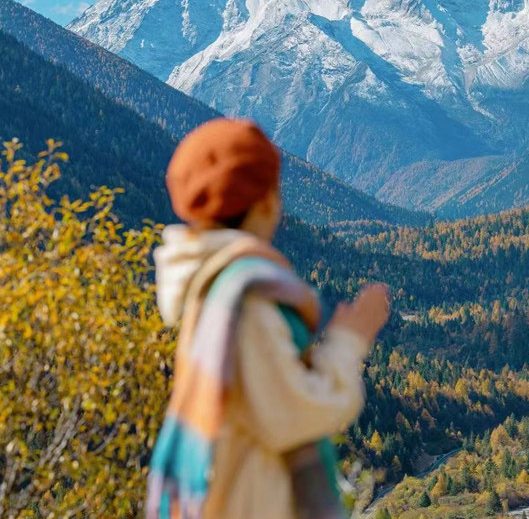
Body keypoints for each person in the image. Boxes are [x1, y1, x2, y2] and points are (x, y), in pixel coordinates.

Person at [146, 117, 390, 519]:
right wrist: (350, 340)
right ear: (265, 202)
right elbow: (298, 415)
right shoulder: (243, 303)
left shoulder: (208, 289)